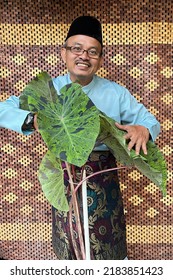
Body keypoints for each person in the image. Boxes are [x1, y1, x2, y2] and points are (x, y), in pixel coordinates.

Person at [0, 16, 160, 260]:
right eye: (76, 48)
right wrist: (33, 119)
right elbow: (3, 109)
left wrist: (144, 130)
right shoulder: (47, 90)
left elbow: (150, 122)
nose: (84, 56)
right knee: (70, 246)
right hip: (65, 175)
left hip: (103, 179)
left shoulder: (115, 93)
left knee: (109, 251)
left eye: (92, 51)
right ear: (64, 53)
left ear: (100, 59)